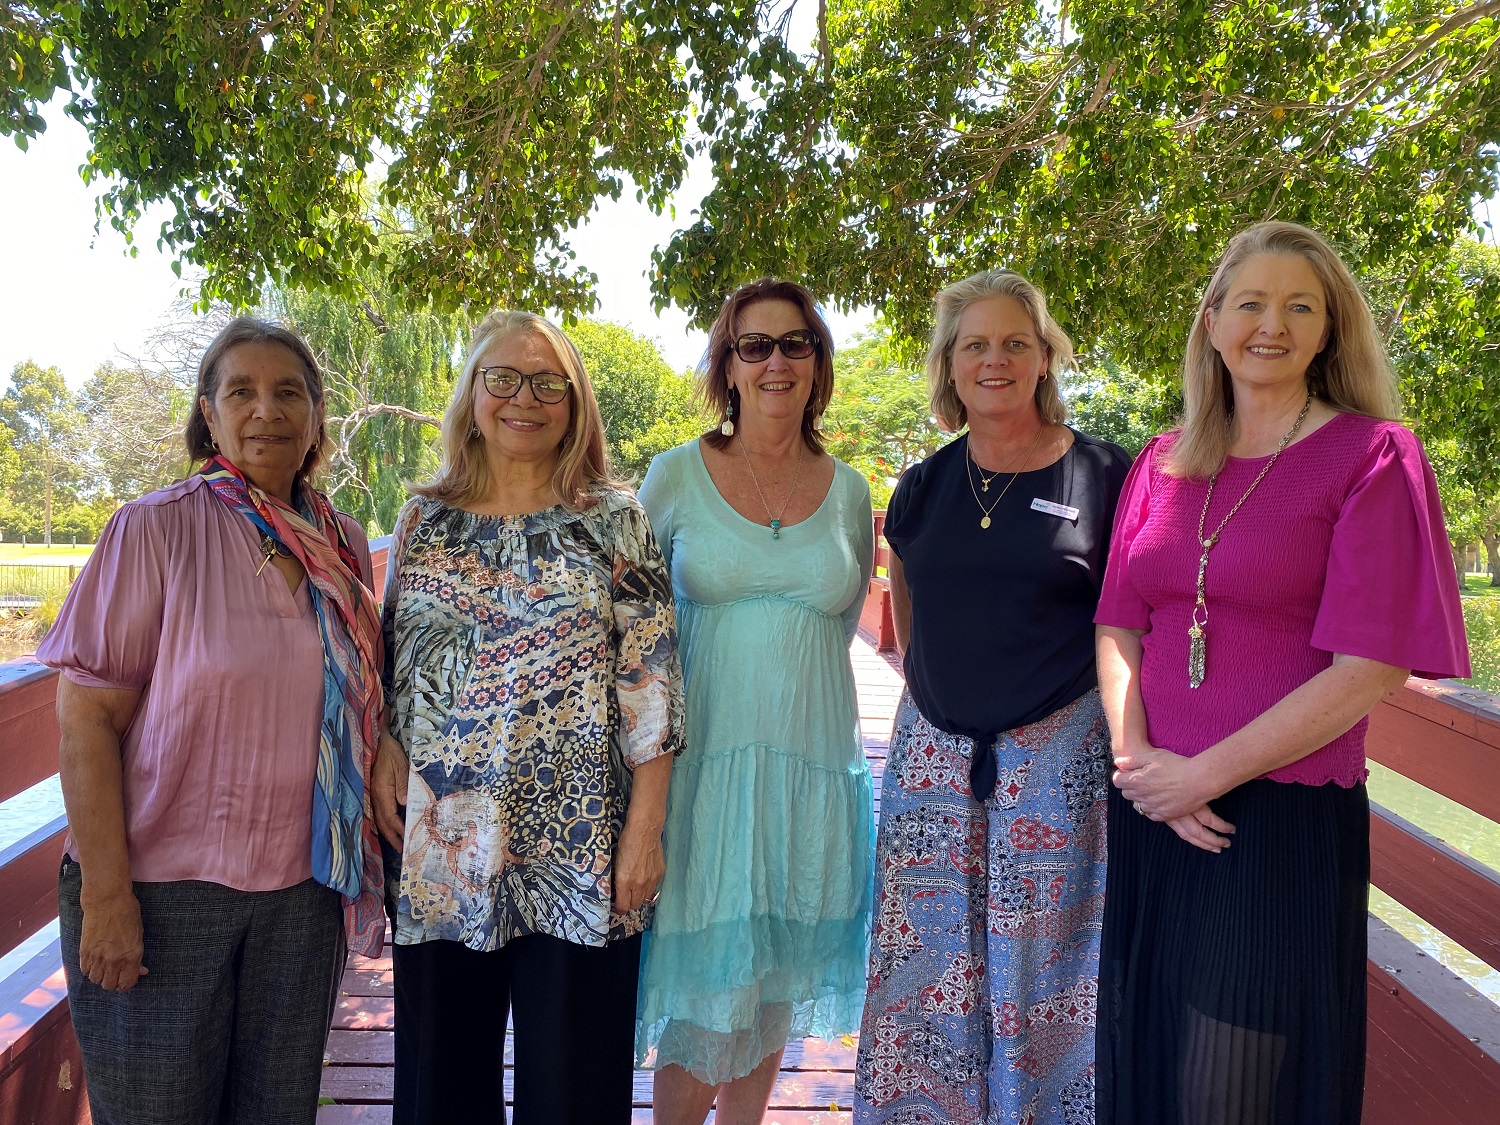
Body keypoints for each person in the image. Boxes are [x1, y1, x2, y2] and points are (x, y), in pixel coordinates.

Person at [1093, 221, 1471, 1125]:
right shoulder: (1162, 459)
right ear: (1213, 320)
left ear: (1329, 329)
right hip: (1154, 806)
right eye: (1252, 302)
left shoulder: (1374, 455)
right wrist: (1138, 758)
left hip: (1273, 818)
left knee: (1232, 1086)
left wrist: (1204, 775)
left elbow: (1371, 666)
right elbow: (1118, 620)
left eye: (1301, 306)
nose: (1274, 323)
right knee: (1147, 1056)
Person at [39, 317, 385, 1125]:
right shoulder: (155, 529)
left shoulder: (341, 541)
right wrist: (108, 895)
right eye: (243, 391)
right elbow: (86, 721)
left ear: (316, 416)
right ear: (210, 412)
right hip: (161, 894)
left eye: (289, 391)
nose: (268, 409)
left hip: (301, 897)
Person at [370, 309, 683, 1125]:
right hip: (445, 841)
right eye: (502, 378)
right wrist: (385, 746)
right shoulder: (422, 521)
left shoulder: (615, 520)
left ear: (575, 403)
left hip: (580, 844)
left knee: (573, 1090)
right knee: (441, 1089)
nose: (525, 398)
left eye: (549, 383)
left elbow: (652, 686)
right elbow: (394, 662)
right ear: (472, 393)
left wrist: (644, 830)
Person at [852, 270, 1131, 1124]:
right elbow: (906, 614)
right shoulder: (923, 486)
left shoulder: (1105, 476)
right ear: (949, 362)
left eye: (1016, 341)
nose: (995, 359)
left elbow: (1132, 625)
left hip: (1058, 767)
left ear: (1046, 356)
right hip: (931, 768)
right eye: (974, 343)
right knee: (925, 977)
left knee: (1047, 980)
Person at [634, 278, 875, 1124]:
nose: (776, 361)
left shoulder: (849, 491)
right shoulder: (674, 478)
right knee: (704, 1010)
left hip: (810, 774)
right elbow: (631, 629)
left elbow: (841, 622)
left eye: (795, 343)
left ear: (817, 364)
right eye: (754, 345)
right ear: (727, 366)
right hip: (704, 780)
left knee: (773, 990)